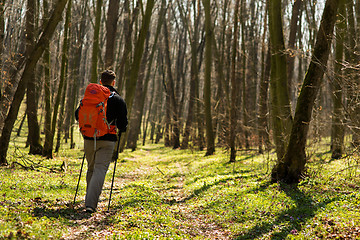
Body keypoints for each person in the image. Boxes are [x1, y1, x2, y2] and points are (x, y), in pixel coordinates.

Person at [75, 70, 127, 213]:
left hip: (89, 138)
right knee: (100, 170)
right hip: (108, 140)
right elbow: (123, 125)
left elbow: (77, 115)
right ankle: (90, 204)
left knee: (91, 169)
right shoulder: (118, 100)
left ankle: (88, 200)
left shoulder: (90, 97)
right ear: (113, 82)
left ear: (100, 81)